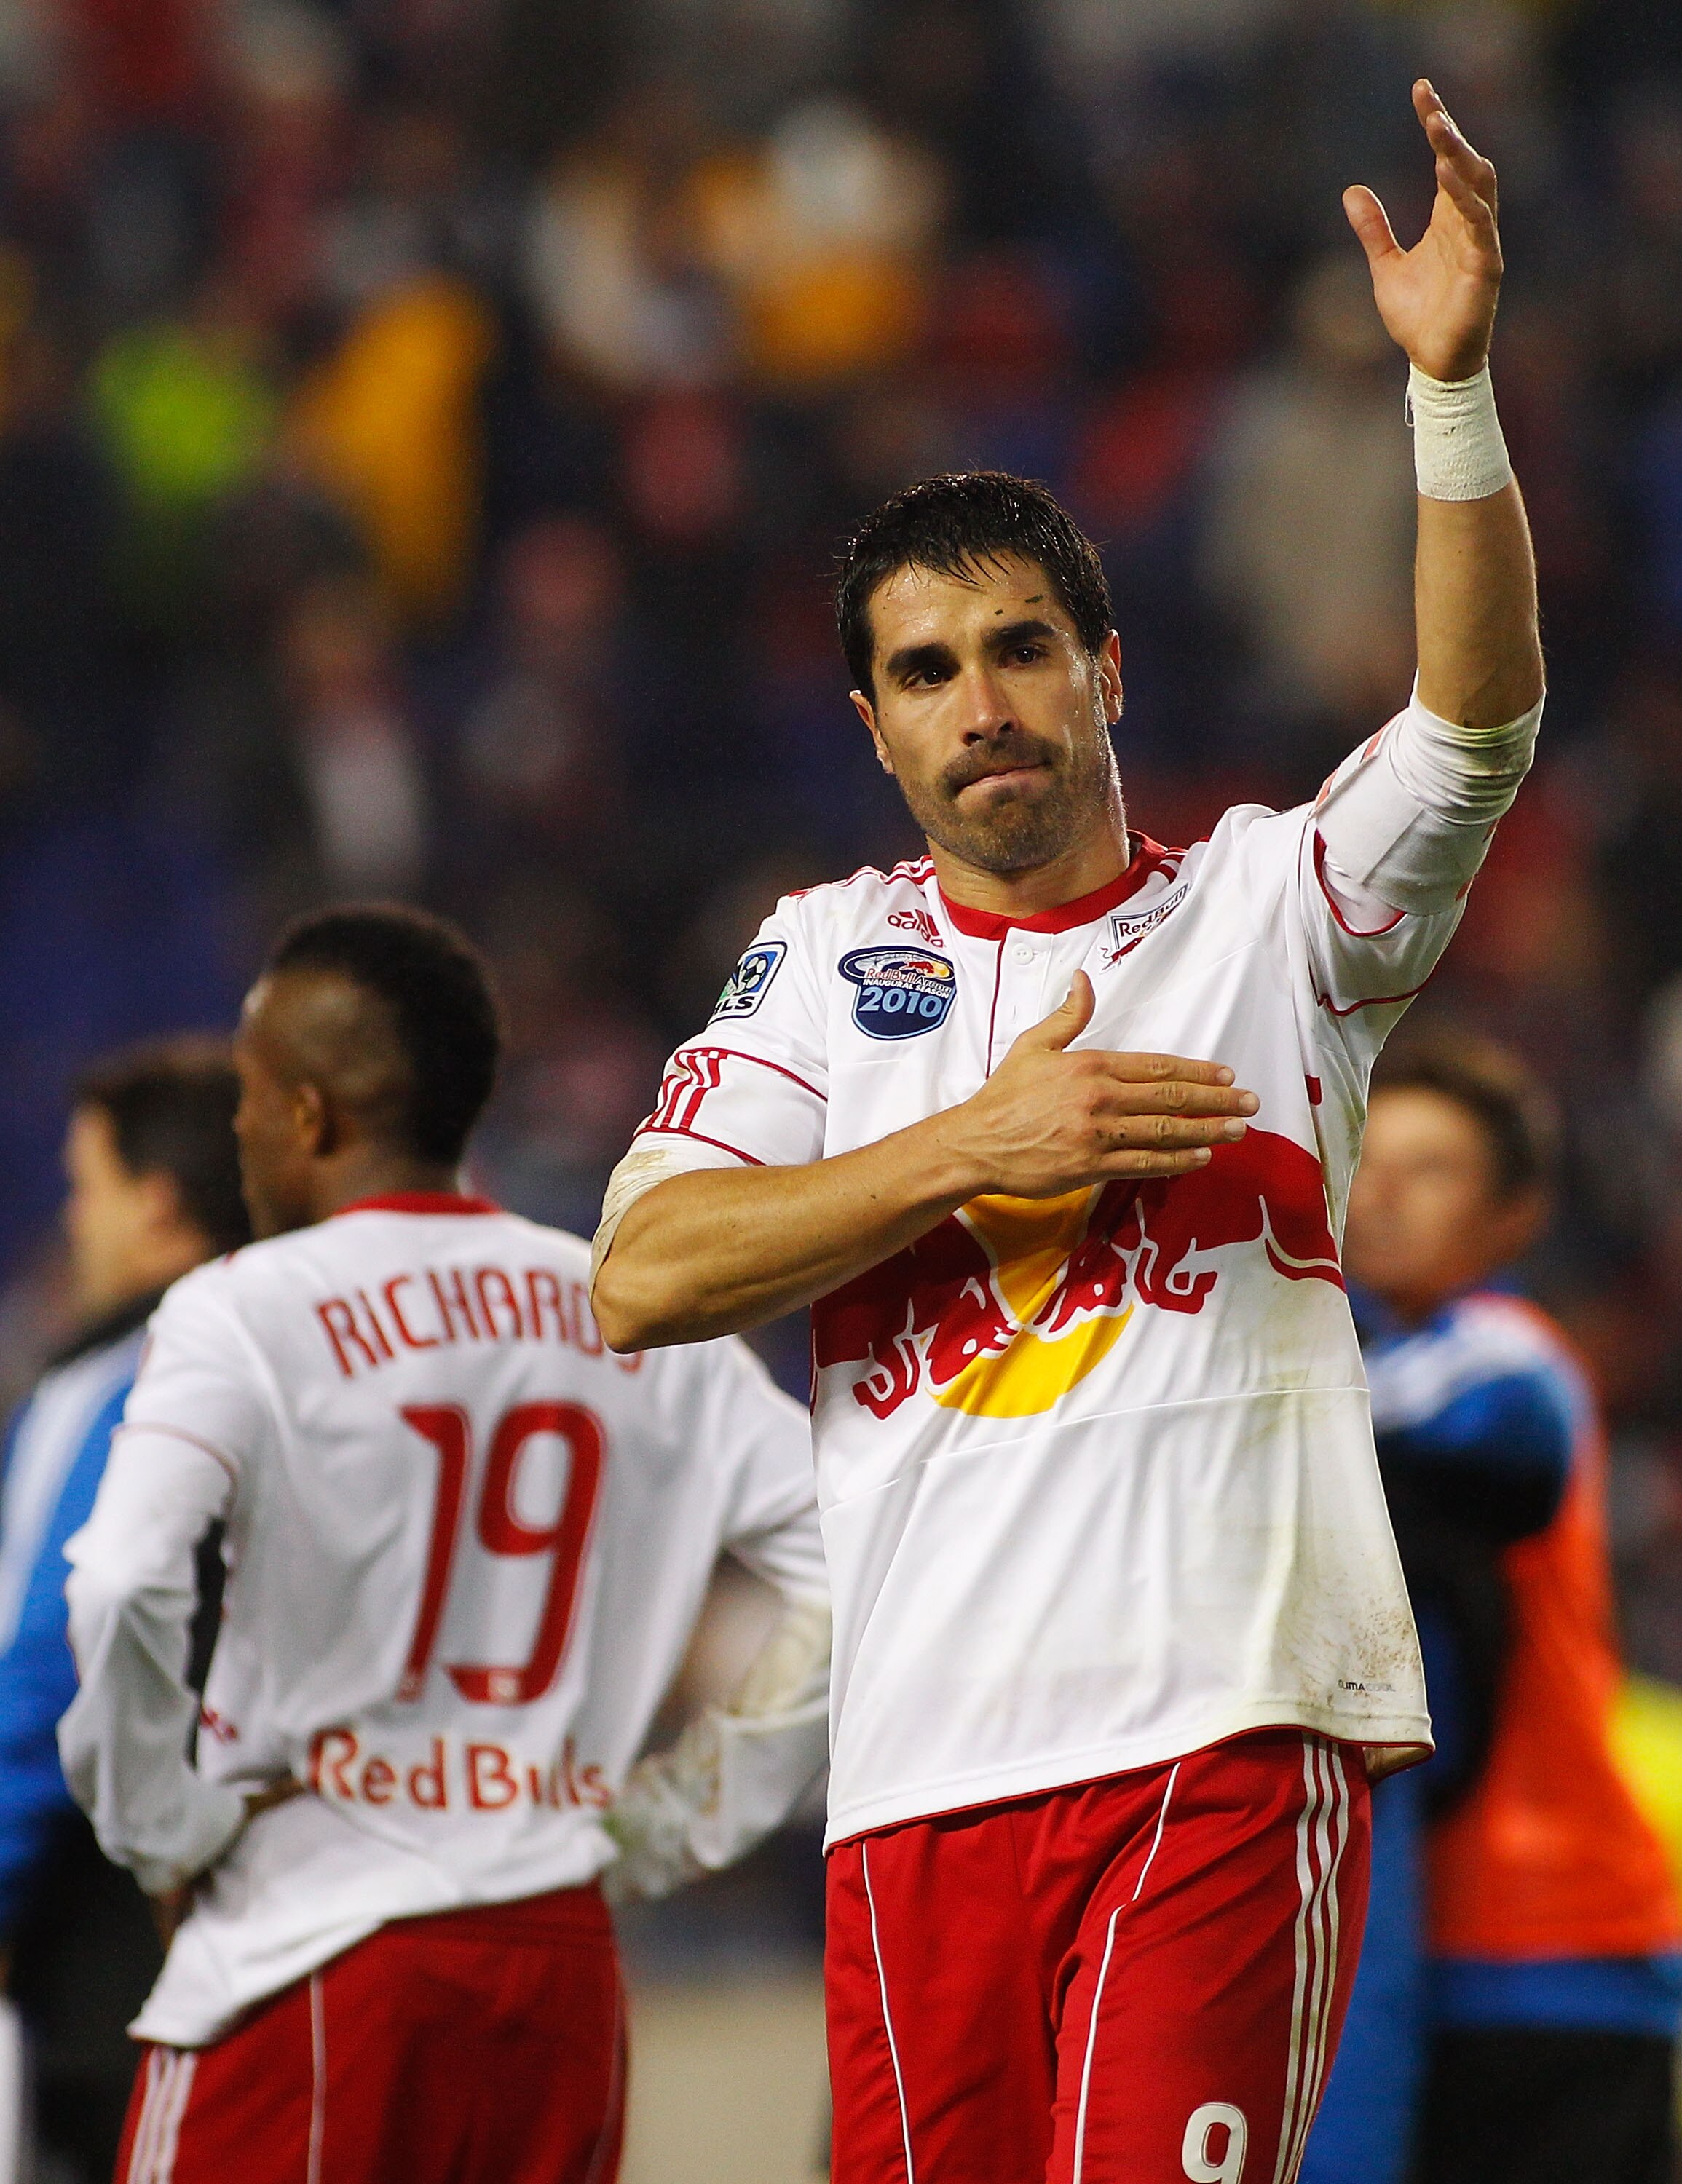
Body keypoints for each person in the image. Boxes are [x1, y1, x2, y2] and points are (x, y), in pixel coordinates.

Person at [591, 80, 1544, 2184]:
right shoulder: (821, 967)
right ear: (872, 724)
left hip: (1208, 1744)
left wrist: (1450, 393)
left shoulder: (1272, 915)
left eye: (1020, 648)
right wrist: (966, 1147)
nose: (980, 701)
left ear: (1105, 672)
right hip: (915, 1786)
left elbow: (1475, 723)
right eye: (925, 670)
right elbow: (641, 1273)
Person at [58, 904, 829, 2184]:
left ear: (306, 1114)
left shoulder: (240, 1310)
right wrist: (686, 1816)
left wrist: (163, 1824)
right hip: (557, 1968)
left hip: (307, 1945)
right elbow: (852, 1558)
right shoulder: (613, 1302)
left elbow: (125, 1578)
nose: (239, 1126)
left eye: (251, 1094)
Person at [1319, 1037, 1681, 2184]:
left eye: (1432, 1171)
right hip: (1429, 1955)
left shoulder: (1502, 1360)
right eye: (1365, 1161)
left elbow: (1355, 1421)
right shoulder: (1373, 1357)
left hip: (1555, 1947)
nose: (1378, 1194)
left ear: (1514, 1218)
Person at [0, 1040, 248, 2184]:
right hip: (311, 1928)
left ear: (155, 1204)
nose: (73, 1223)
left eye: (85, 1187)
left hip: (108, 1945)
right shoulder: (306, 1358)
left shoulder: (113, 1383)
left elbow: (47, 1661)